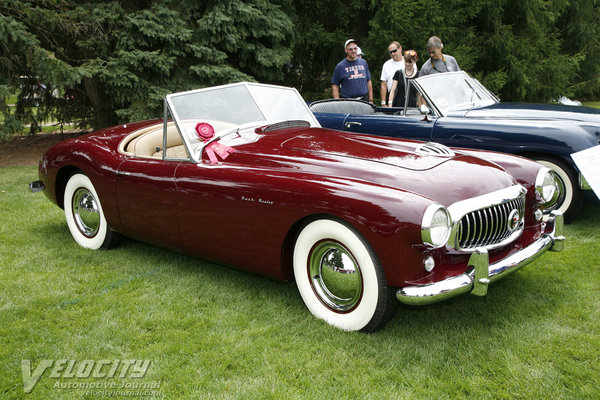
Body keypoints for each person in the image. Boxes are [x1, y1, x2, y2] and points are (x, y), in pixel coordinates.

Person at [379, 41, 404, 106]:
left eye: (394, 51)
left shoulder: (408, 62)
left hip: (407, 96)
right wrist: (383, 103)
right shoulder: (386, 65)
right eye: (390, 52)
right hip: (392, 97)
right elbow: (383, 85)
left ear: (400, 49)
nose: (392, 54)